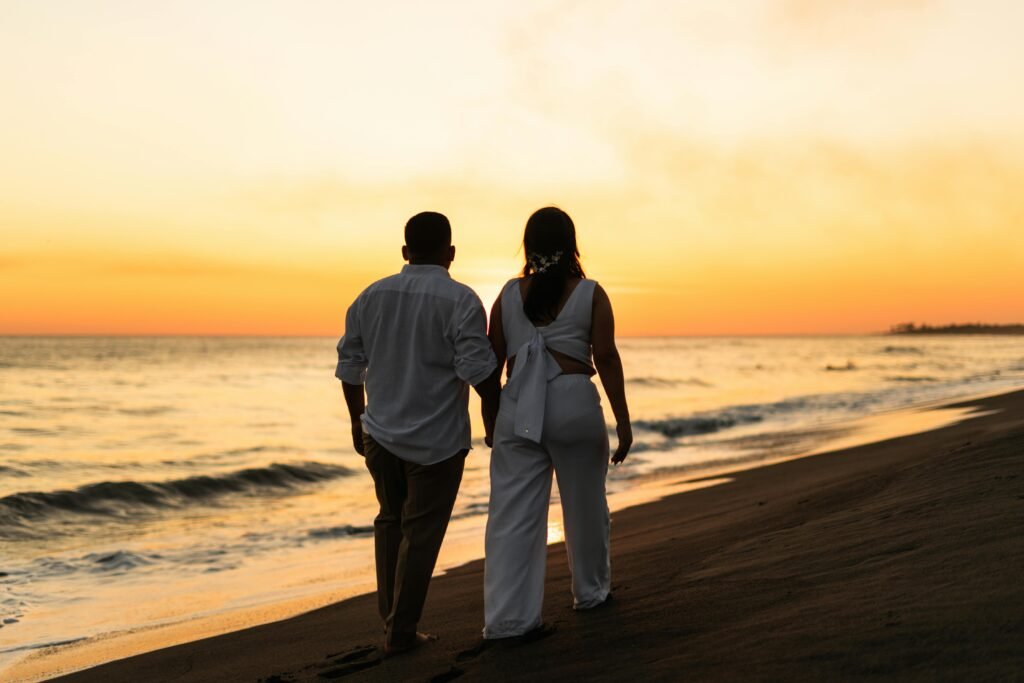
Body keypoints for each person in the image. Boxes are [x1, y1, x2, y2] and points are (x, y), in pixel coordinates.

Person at [335, 211, 501, 656]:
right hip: (437, 442)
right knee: (421, 535)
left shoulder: (370, 296)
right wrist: (497, 413)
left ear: (405, 252)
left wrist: (357, 418)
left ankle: (393, 622)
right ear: (450, 253)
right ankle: (400, 632)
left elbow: (350, 366)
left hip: (380, 433)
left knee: (390, 523)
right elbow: (477, 369)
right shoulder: (461, 300)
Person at [482, 206, 632, 639]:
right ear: (571, 246)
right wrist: (623, 421)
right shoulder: (590, 293)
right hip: (573, 402)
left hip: (517, 407)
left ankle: (509, 620)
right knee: (585, 506)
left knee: (511, 516)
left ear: (528, 246)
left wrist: (490, 416)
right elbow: (605, 356)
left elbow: (491, 364)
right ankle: (591, 592)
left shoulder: (508, 294)